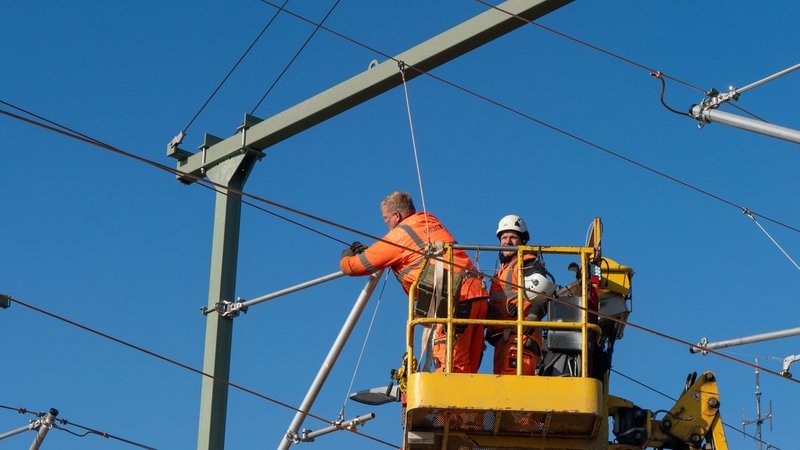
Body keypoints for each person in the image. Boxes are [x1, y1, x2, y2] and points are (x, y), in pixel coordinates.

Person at [339, 191, 489, 373]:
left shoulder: (398, 236)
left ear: (396, 216)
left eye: (386, 217)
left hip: (453, 300)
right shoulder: (429, 219)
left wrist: (346, 257)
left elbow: (356, 267)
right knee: (469, 372)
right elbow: (415, 250)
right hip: (478, 296)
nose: (385, 222)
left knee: (450, 370)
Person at [486, 214, 554, 375]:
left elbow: (544, 293)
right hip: (503, 339)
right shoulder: (502, 272)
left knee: (513, 386)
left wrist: (532, 317)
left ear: (522, 240)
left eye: (513, 237)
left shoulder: (527, 263)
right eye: (504, 237)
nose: (507, 241)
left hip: (521, 337)